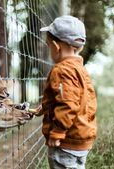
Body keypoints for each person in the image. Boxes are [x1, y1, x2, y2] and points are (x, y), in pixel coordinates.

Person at [31, 15, 97, 169]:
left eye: (48, 45)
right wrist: (47, 107)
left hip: (65, 141)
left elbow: (68, 104)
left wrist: (58, 132)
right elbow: (79, 99)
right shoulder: (80, 69)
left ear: (56, 46)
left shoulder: (61, 70)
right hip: (81, 139)